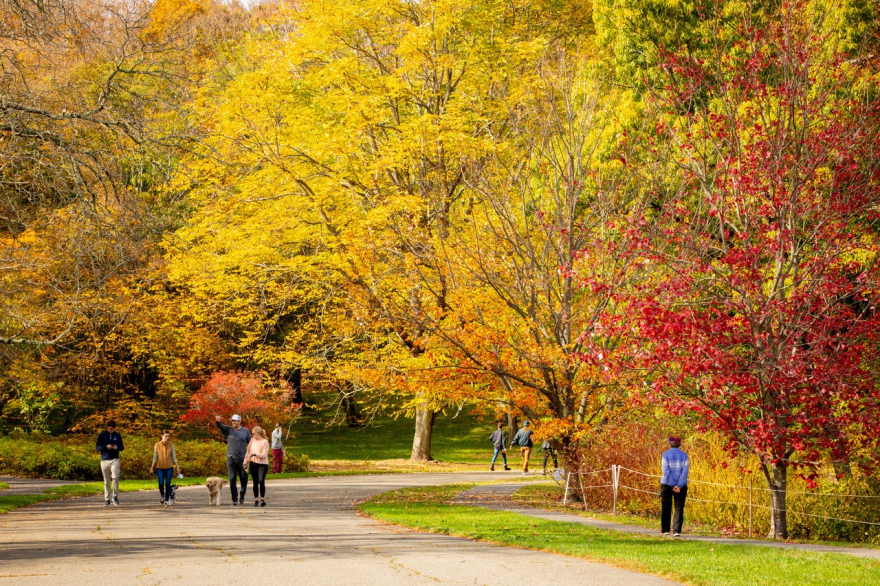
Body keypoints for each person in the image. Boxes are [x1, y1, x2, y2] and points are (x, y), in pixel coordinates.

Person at [215, 414, 252, 505]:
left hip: (243, 459)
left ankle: (242, 494)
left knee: (244, 479)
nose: (233, 422)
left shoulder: (245, 431)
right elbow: (220, 426)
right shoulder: (228, 430)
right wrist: (217, 421)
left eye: (235, 420)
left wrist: (249, 456)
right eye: (232, 420)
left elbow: (251, 444)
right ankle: (234, 499)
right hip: (231, 458)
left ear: (239, 421)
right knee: (232, 479)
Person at [660, 435, 690, 537]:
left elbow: (666, 471)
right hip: (681, 485)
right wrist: (679, 485)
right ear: (679, 444)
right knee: (679, 507)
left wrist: (672, 484)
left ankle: (665, 529)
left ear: (670, 443)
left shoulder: (665, 455)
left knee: (666, 506)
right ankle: (676, 530)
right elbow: (685, 472)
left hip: (666, 484)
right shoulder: (684, 456)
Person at [95, 420, 124, 506]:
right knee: (106, 480)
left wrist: (116, 447)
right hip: (104, 459)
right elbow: (97, 447)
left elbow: (122, 447)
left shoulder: (117, 435)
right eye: (111, 428)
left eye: (113, 429)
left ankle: (115, 496)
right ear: (107, 427)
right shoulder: (102, 435)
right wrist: (105, 447)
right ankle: (107, 498)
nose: (112, 430)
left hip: (115, 459)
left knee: (115, 477)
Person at [150, 430, 181, 506]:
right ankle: (162, 495)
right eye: (165, 436)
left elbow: (174, 457)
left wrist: (177, 467)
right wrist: (152, 468)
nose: (167, 437)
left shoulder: (171, 445)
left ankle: (167, 499)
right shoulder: (157, 445)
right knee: (161, 484)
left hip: (169, 467)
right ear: (162, 436)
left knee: (167, 484)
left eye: (168, 436)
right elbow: (155, 457)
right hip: (160, 467)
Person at [245, 426, 271, 506]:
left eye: (253, 434)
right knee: (255, 482)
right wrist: (245, 462)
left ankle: (262, 499)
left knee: (261, 480)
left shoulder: (265, 442)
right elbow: (248, 451)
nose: (252, 435)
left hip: (262, 464)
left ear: (257, 433)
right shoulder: (252, 441)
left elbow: (264, 454)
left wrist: (256, 454)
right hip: (253, 463)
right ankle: (256, 499)